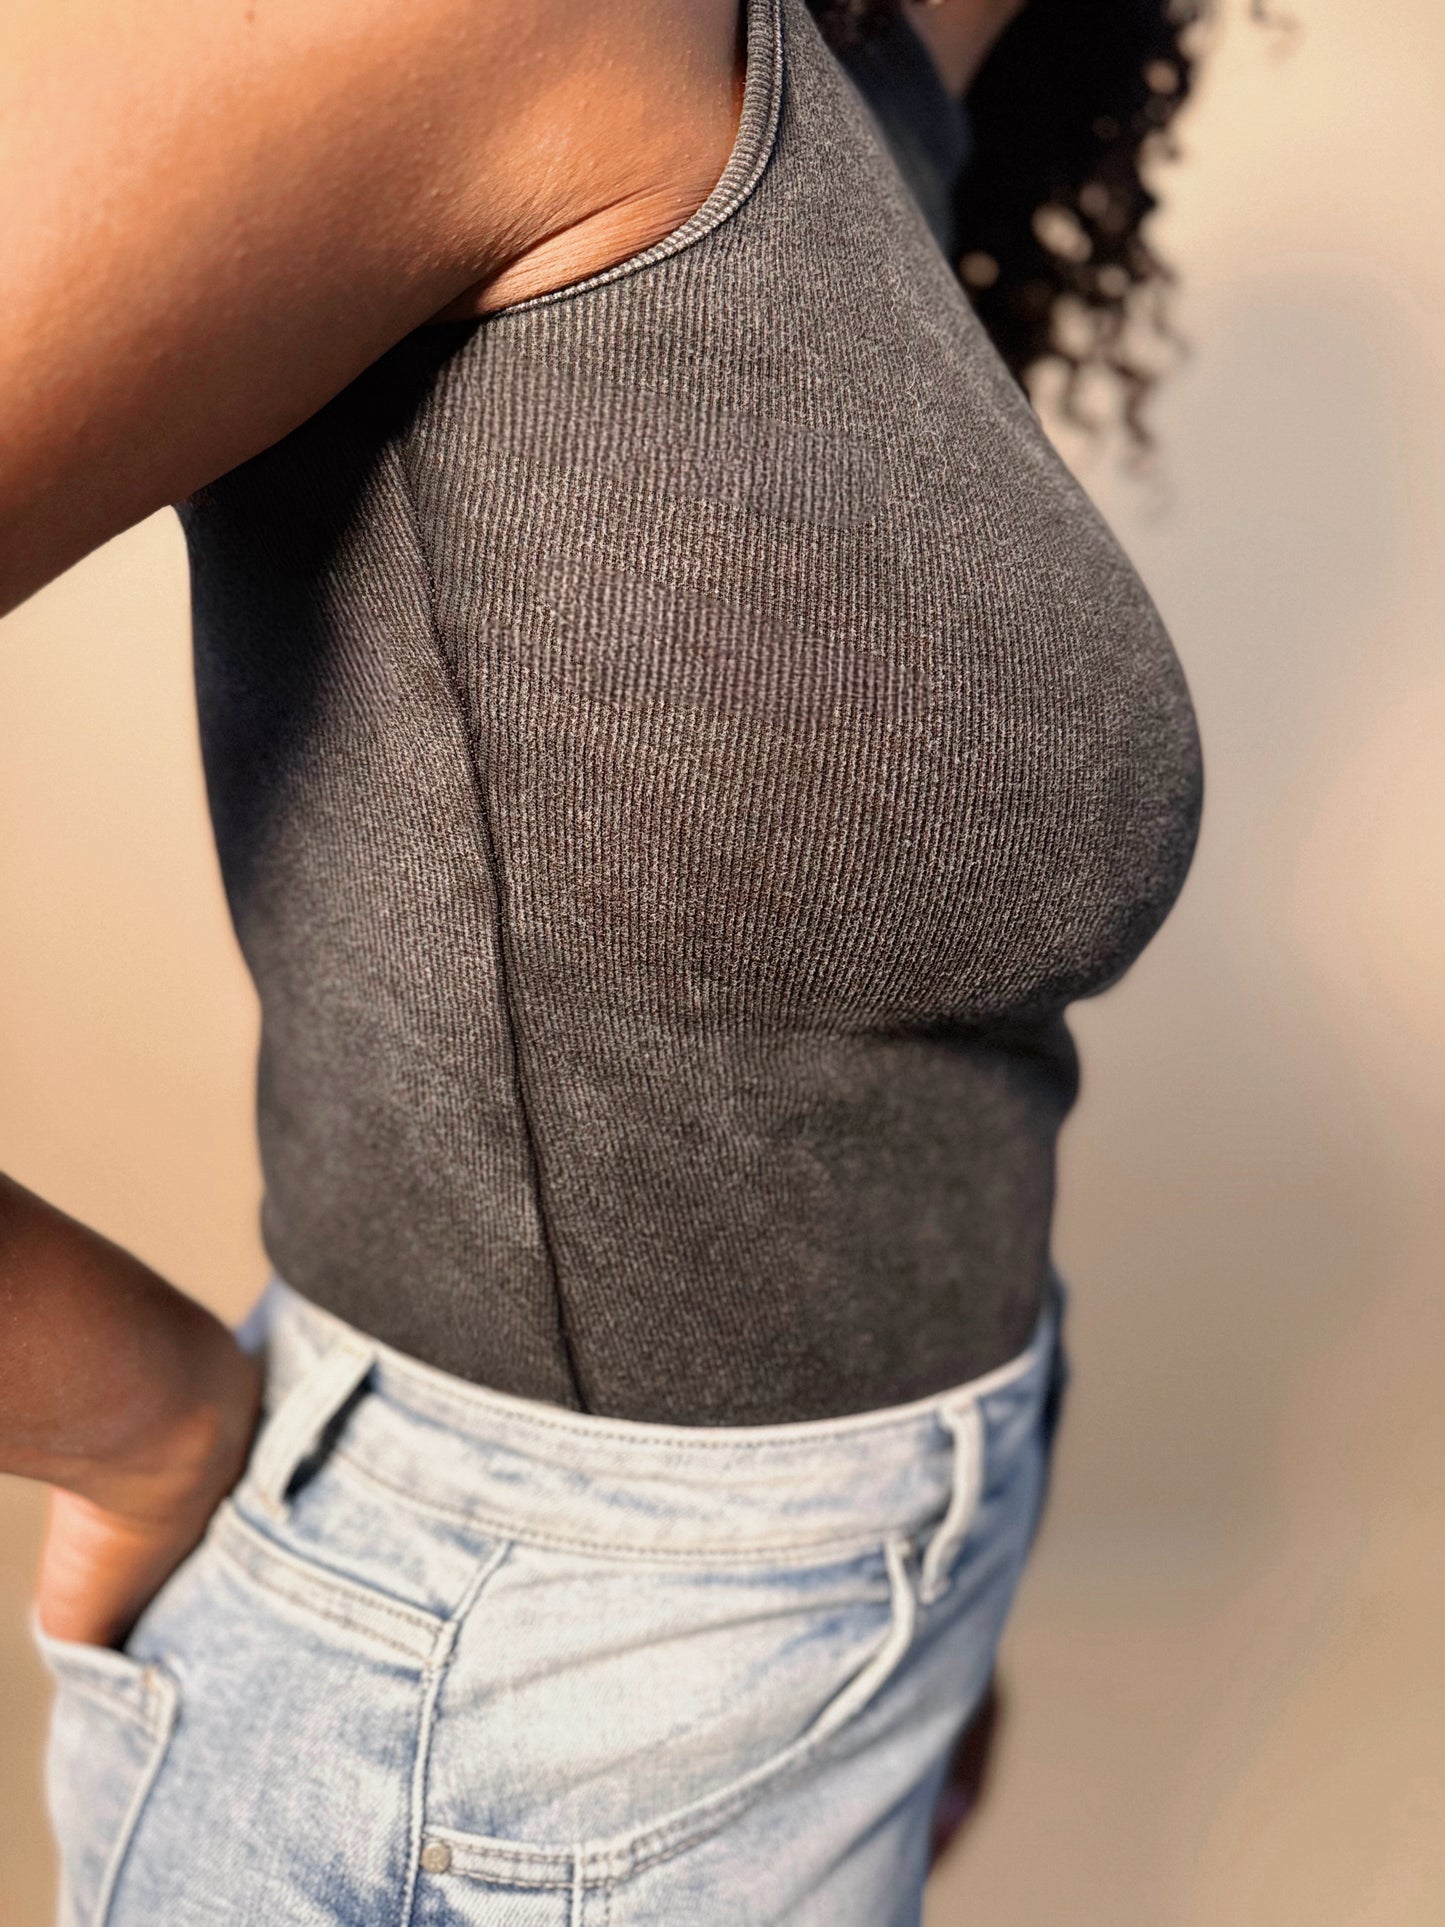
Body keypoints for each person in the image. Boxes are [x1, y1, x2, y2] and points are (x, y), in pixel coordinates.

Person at [0, 0, 1205, 1919]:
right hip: (494, 1688)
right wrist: (135, 1419)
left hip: (822, 1622)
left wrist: (902, 1581)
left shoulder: (876, 90)